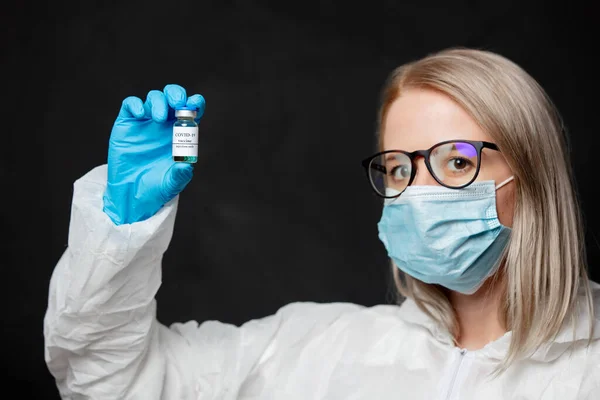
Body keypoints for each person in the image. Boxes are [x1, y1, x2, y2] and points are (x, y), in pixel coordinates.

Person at [44, 48, 600, 399]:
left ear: (534, 176)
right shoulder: (315, 350)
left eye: (457, 161)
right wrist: (123, 227)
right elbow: (108, 381)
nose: (420, 191)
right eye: (400, 167)